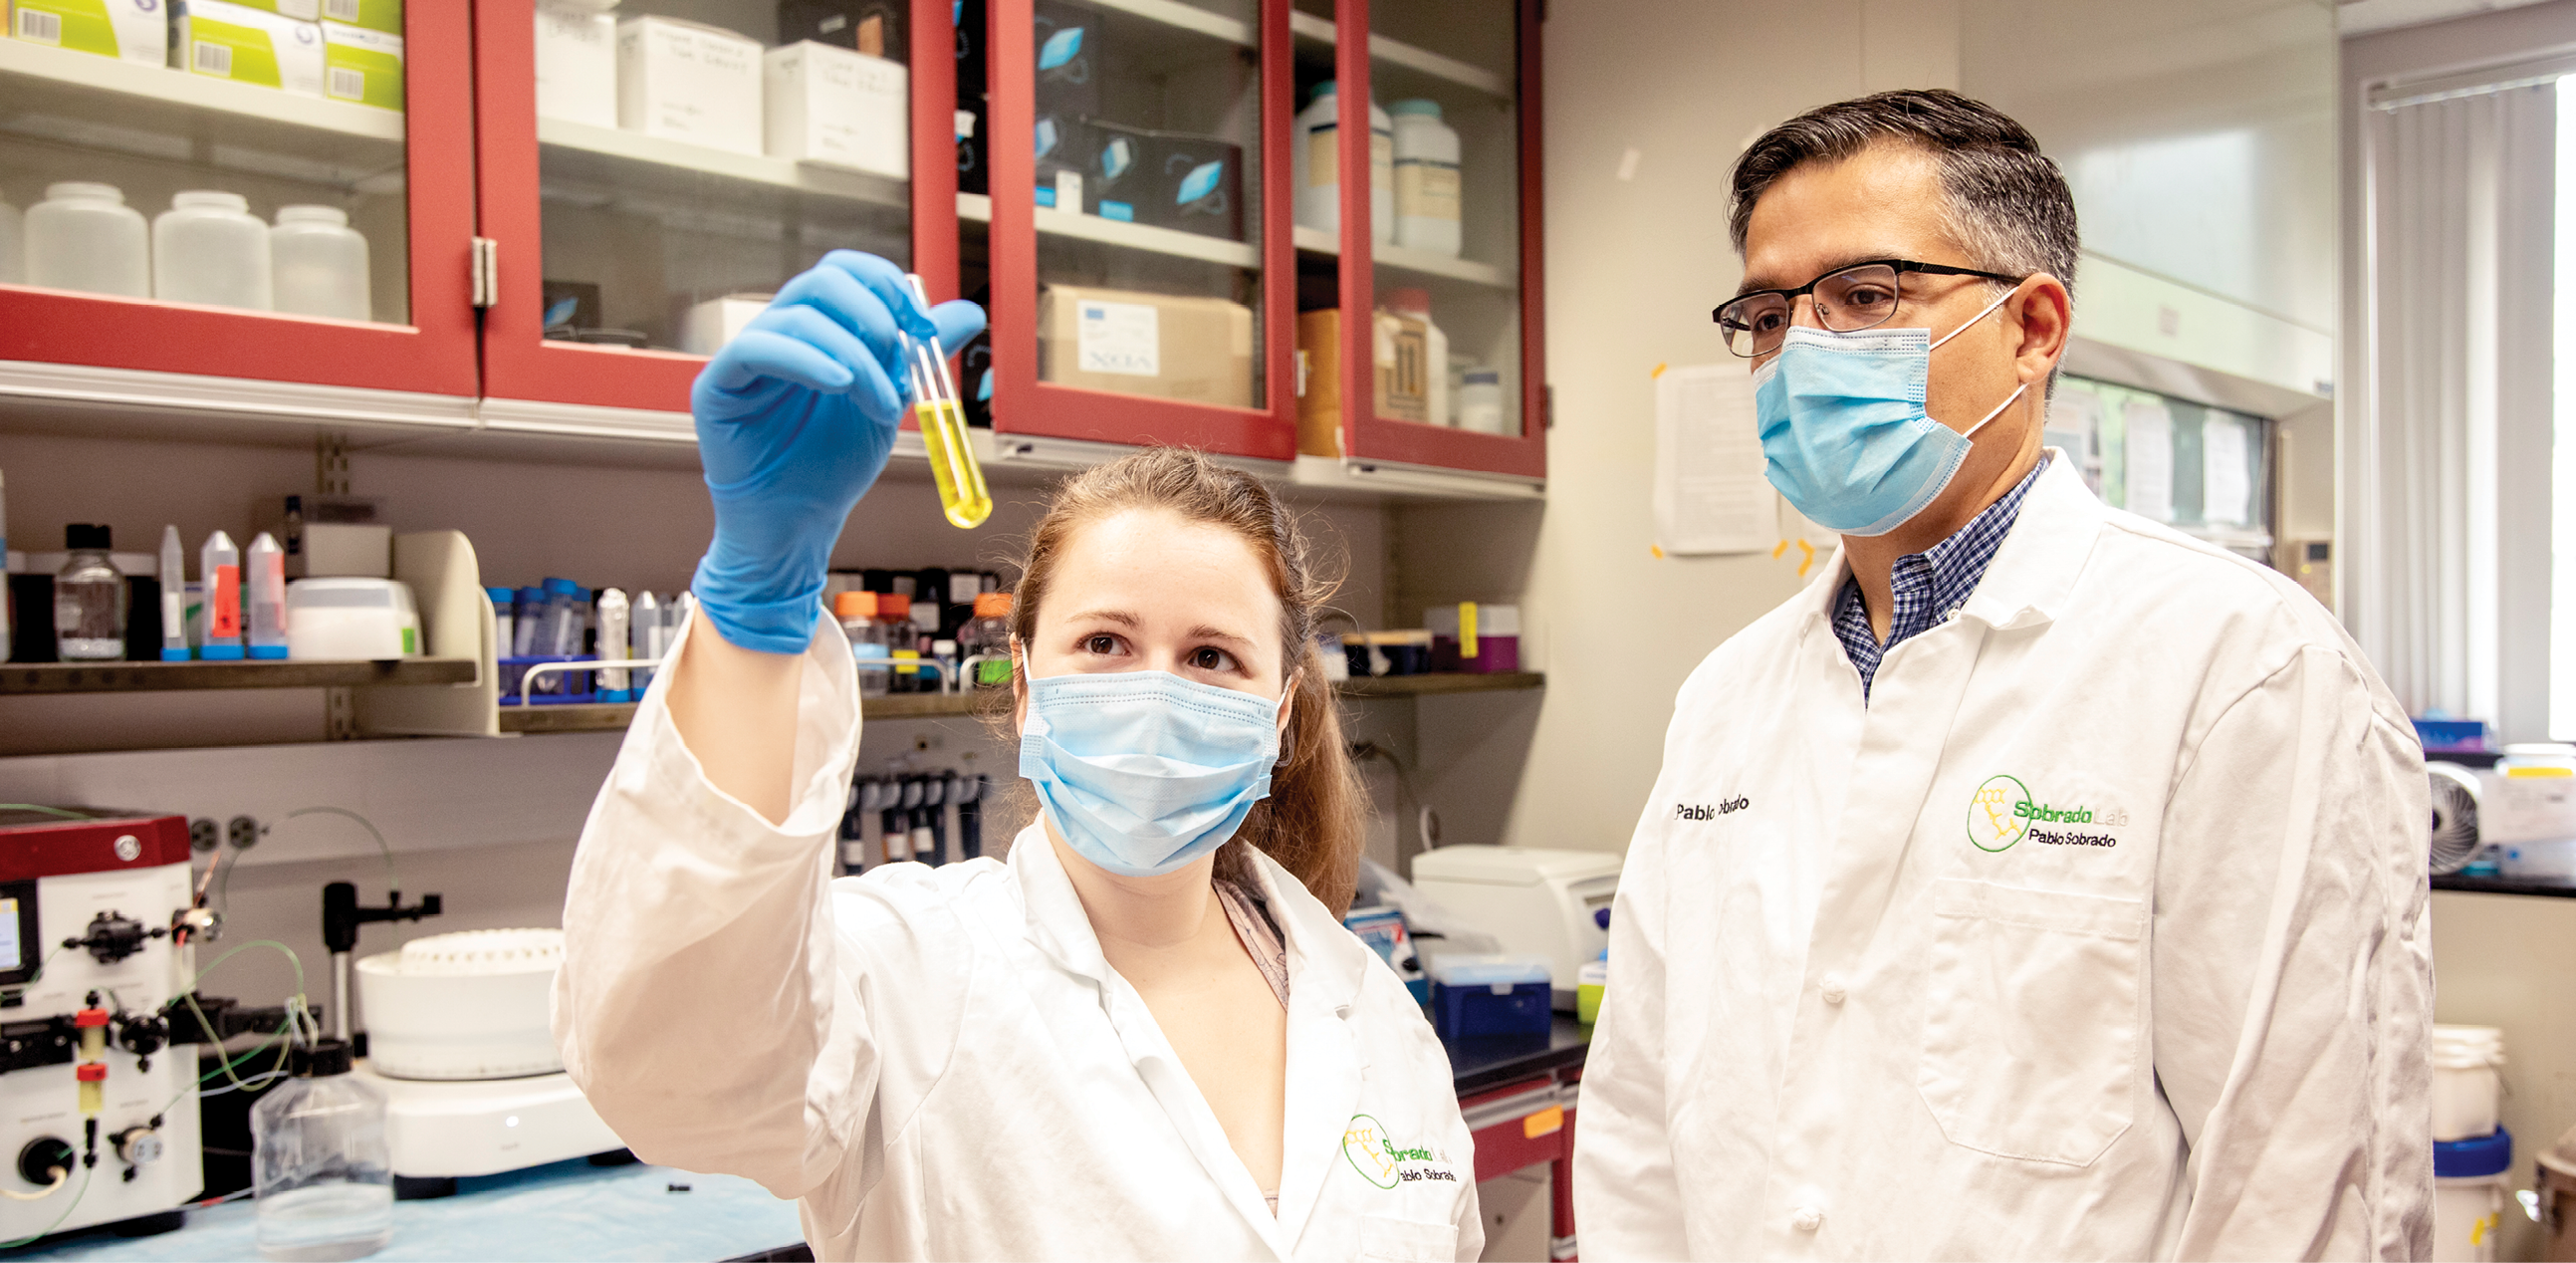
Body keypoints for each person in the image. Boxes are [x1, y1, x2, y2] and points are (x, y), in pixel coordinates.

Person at [1574, 90, 2434, 1259]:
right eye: (1769, 317)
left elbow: (2301, 1181)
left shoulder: (2240, 667)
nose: (1800, 353)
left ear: (2031, 328)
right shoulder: (1726, 698)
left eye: (1865, 296)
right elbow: (1639, 1125)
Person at [551, 251, 1480, 1263]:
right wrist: (754, 608)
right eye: (1105, 642)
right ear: (1027, 682)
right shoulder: (909, 973)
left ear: (1280, 709)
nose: (1154, 692)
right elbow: (682, 1070)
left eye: (1210, 655)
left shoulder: (1370, 1007)